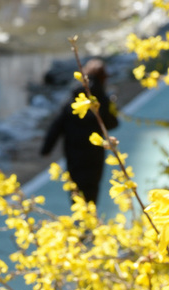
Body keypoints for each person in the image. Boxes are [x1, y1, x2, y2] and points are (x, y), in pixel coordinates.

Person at [40, 58, 119, 206]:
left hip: (73, 153)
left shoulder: (72, 99)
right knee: (92, 187)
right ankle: (91, 215)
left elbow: (56, 126)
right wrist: (112, 107)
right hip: (94, 153)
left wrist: (46, 148)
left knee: (75, 188)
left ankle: (79, 216)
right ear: (103, 77)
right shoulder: (102, 100)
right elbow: (112, 124)